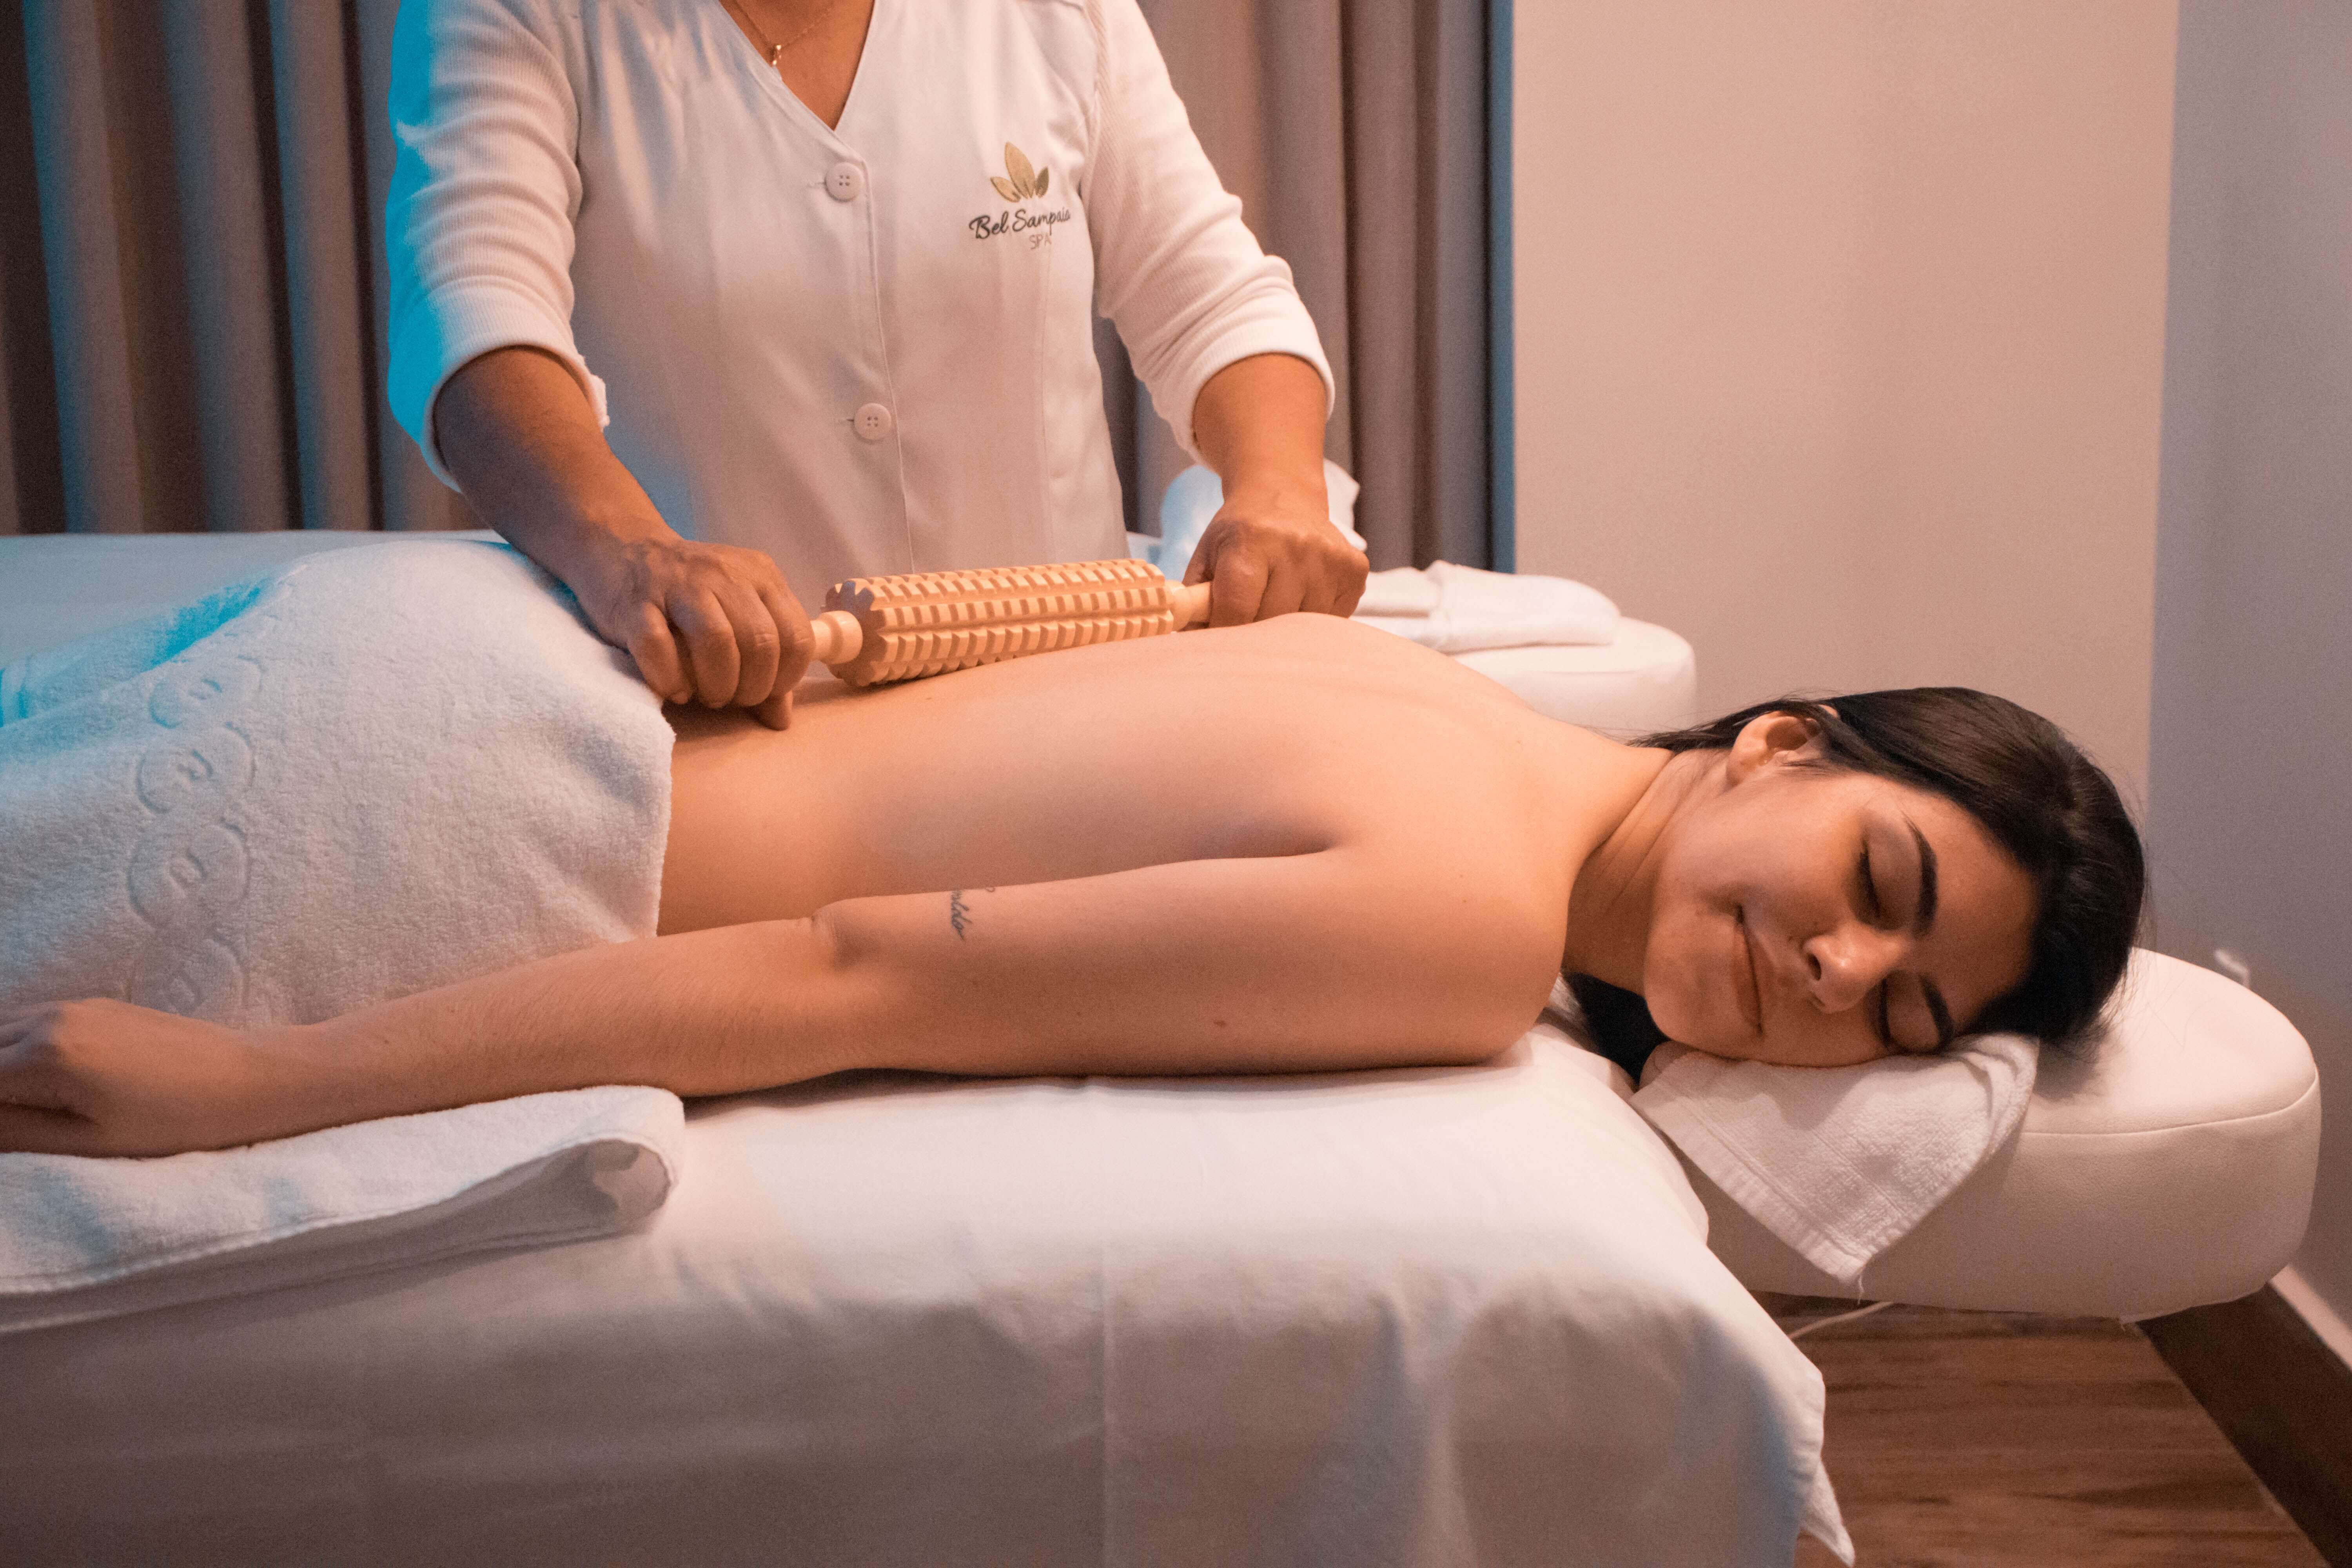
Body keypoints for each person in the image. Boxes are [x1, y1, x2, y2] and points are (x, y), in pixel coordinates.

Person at [0, 612, 2143, 1159]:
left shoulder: (1433, 692)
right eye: (1877, 879)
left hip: (453, 684)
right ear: (1781, 743)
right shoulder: (1470, 923)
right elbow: (848, 976)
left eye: (1901, 1011)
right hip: (463, 825)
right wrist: (254, 1092)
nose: (1840, 971)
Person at [390, 0, 1365, 728]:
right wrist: (629, 556)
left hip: (1077, 707)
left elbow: (1213, 296)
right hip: (750, 722)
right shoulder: (522, 15)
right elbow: (473, 315)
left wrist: (1279, 490)